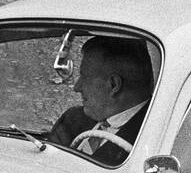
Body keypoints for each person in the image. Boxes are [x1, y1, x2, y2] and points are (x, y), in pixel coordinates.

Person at [48, 37, 154, 165]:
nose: (77, 87)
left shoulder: (151, 139)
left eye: (84, 77)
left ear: (114, 84)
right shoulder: (72, 120)